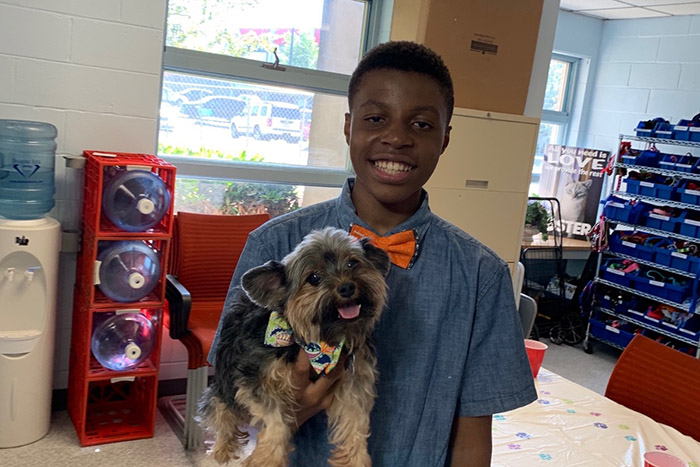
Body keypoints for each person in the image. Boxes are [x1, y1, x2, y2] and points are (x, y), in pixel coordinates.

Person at [209, 40, 537, 466]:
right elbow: (229, 388)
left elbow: (474, 432)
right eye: (376, 118)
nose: (397, 138)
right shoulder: (273, 244)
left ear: (445, 139)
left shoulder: (482, 274)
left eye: (421, 124)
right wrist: (296, 405)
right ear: (348, 126)